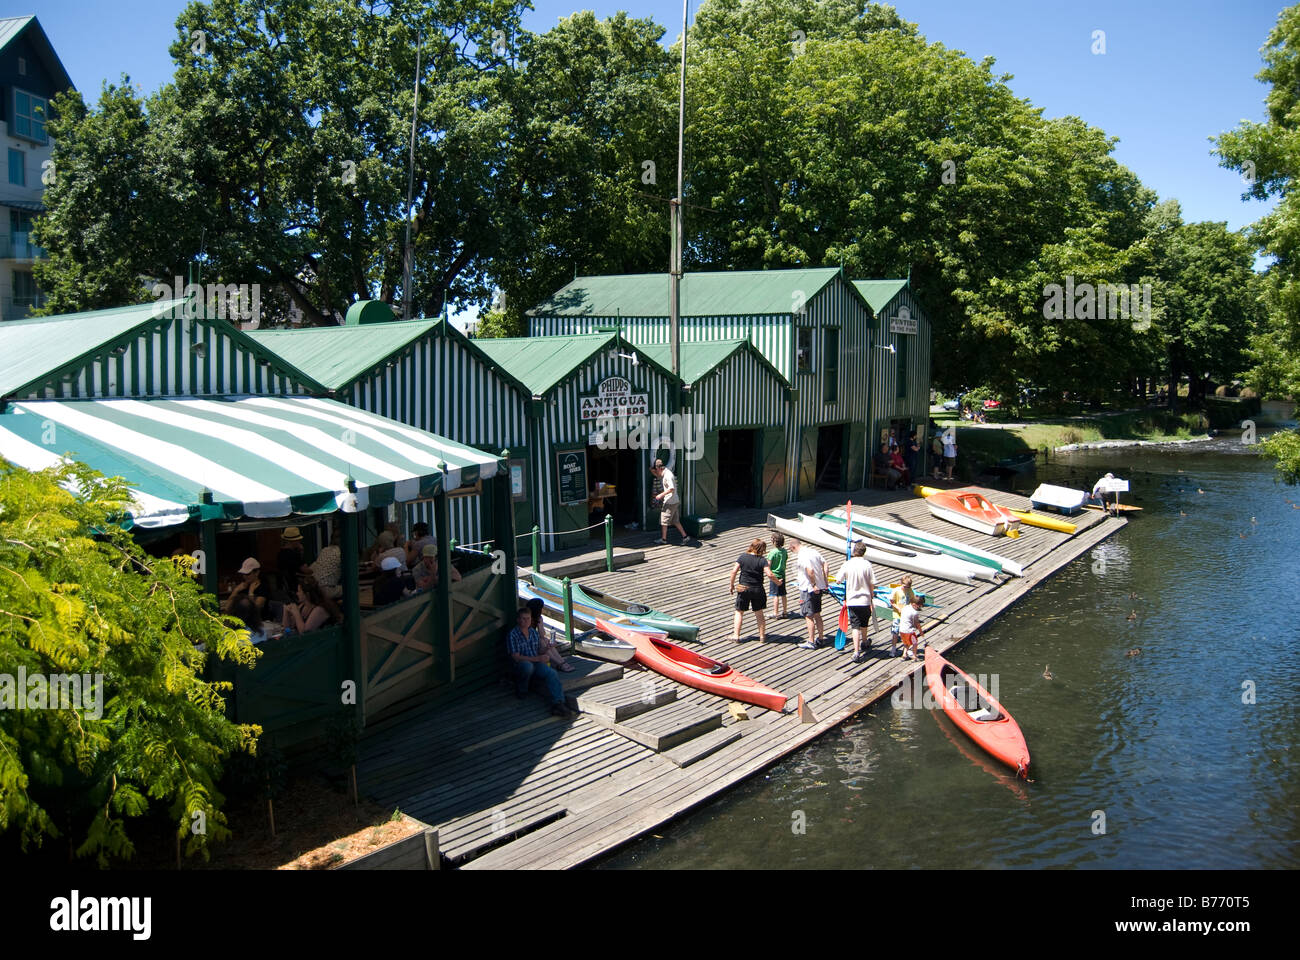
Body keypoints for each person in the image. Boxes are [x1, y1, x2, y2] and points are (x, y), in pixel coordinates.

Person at [507, 607, 570, 717]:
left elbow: (538, 651)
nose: (526, 621)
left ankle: (558, 703)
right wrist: (537, 659)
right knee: (527, 667)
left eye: (528, 619)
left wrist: (547, 649)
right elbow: (516, 657)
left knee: (552, 673)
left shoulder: (533, 632)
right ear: (518, 620)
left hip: (535, 662)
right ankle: (522, 690)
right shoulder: (513, 635)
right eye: (523, 619)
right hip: (521, 665)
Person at [729, 538, 781, 642]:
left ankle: (736, 635)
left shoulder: (743, 557)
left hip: (744, 588)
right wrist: (778, 582)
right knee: (759, 612)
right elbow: (769, 574)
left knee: (739, 612)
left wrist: (732, 585)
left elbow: (734, 571)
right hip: (758, 589)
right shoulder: (762, 560)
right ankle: (762, 636)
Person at [840, 541, 876, 664]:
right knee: (864, 622)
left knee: (855, 625)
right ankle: (865, 641)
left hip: (852, 599)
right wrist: (872, 596)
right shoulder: (868, 565)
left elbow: (839, 580)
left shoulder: (847, 564)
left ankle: (856, 651)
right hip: (865, 599)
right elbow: (872, 583)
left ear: (854, 552)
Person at [791, 536, 829, 650]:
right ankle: (821, 638)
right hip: (820, 587)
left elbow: (810, 570)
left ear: (793, 547)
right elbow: (826, 565)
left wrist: (813, 585)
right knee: (817, 614)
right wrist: (825, 582)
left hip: (808, 589)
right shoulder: (813, 551)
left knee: (808, 615)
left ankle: (811, 641)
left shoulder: (802, 555)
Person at [650, 459, 694, 545]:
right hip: (674, 501)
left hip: (670, 502)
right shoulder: (665, 473)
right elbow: (659, 476)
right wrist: (653, 472)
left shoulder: (668, 476)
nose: (656, 470)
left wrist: (660, 495)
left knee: (664, 521)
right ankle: (685, 537)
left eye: (656, 469)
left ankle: (664, 539)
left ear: (659, 468)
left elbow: (671, 489)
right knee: (675, 521)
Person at [526, 596, 574, 672]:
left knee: (545, 640)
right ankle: (560, 663)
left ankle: (561, 662)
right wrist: (540, 623)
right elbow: (539, 635)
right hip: (529, 644)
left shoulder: (536, 618)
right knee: (542, 641)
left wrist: (540, 623)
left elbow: (542, 635)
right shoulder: (528, 619)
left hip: (536, 641)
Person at [888, 576, 918, 657]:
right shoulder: (896, 591)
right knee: (895, 632)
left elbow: (912, 600)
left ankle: (907, 650)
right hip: (897, 615)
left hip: (906, 616)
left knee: (907, 633)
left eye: (908, 587)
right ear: (901, 583)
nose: (906, 588)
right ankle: (893, 649)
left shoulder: (910, 591)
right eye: (905, 586)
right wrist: (898, 608)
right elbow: (891, 601)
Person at [276, 527, 307, 598]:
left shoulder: (280, 553)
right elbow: (306, 570)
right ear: (294, 541)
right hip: (295, 587)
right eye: (299, 540)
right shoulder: (294, 554)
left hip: (284, 587)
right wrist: (301, 552)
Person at [767, 532, 790, 619]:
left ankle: (775, 613)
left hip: (774, 575)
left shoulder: (772, 552)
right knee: (783, 594)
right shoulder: (784, 551)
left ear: (774, 541)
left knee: (775, 595)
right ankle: (785, 612)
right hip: (782, 575)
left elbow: (768, 564)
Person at [898, 593, 926, 660]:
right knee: (915, 643)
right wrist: (921, 632)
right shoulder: (914, 612)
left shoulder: (905, 607)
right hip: (909, 631)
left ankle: (904, 655)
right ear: (914, 604)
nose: (919, 607)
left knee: (906, 643)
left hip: (901, 630)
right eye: (919, 606)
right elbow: (917, 624)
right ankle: (914, 656)